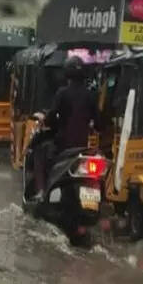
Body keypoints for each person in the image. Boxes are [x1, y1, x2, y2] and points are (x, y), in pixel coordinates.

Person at [31, 56, 99, 198]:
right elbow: (99, 121)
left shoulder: (62, 93)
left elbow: (51, 118)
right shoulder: (90, 95)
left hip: (63, 145)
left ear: (67, 74)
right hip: (82, 146)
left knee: (39, 153)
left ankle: (41, 192)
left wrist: (45, 120)